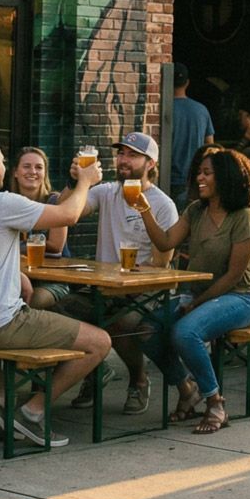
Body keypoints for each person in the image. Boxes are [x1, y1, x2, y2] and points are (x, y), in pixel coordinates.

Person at [0, 136, 109, 448]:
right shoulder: (0, 203)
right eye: (3, 160)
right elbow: (68, 215)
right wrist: (85, 181)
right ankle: (32, 413)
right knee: (100, 341)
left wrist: (17, 275)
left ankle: (3, 404)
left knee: (39, 314)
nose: (5, 165)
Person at [134, 147, 250, 434]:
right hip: (197, 296)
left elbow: (233, 275)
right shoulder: (196, 211)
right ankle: (186, 388)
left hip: (239, 297)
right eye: (199, 173)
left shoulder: (244, 216)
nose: (199, 178)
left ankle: (215, 402)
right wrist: (143, 208)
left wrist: (197, 303)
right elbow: (166, 242)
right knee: (146, 330)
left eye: (207, 173)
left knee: (185, 332)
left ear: (225, 177)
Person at [63, 133, 178, 416]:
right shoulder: (106, 192)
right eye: (121, 154)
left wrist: (129, 279)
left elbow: (162, 263)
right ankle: (95, 369)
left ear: (150, 163)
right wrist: (75, 182)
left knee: (120, 321)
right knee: (59, 309)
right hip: (103, 287)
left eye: (132, 155)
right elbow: (68, 212)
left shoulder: (162, 205)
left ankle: (139, 379)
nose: (123, 160)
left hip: (144, 291)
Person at [9, 148, 71, 313]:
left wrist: (16, 247)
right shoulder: (6, 204)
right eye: (27, 166)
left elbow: (56, 246)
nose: (33, 172)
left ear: (45, 173)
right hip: (15, 275)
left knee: (30, 303)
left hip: (51, 280)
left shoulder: (55, 202)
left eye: (38, 167)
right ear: (16, 172)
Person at [170, 66, 215, 206]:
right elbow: (211, 147)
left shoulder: (163, 109)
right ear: (187, 83)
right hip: (194, 178)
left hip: (168, 178)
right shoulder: (201, 110)